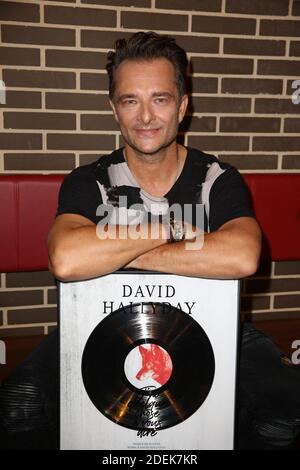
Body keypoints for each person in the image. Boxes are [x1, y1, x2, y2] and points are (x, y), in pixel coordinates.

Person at [1, 31, 299, 450]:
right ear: (113, 109)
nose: (145, 116)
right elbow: (67, 258)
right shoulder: (91, 181)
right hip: (100, 326)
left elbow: (244, 255)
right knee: (18, 406)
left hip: (210, 328)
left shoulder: (217, 179)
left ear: (182, 105)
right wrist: (173, 230)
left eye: (159, 99)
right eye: (130, 101)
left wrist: (115, 253)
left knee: (284, 408)